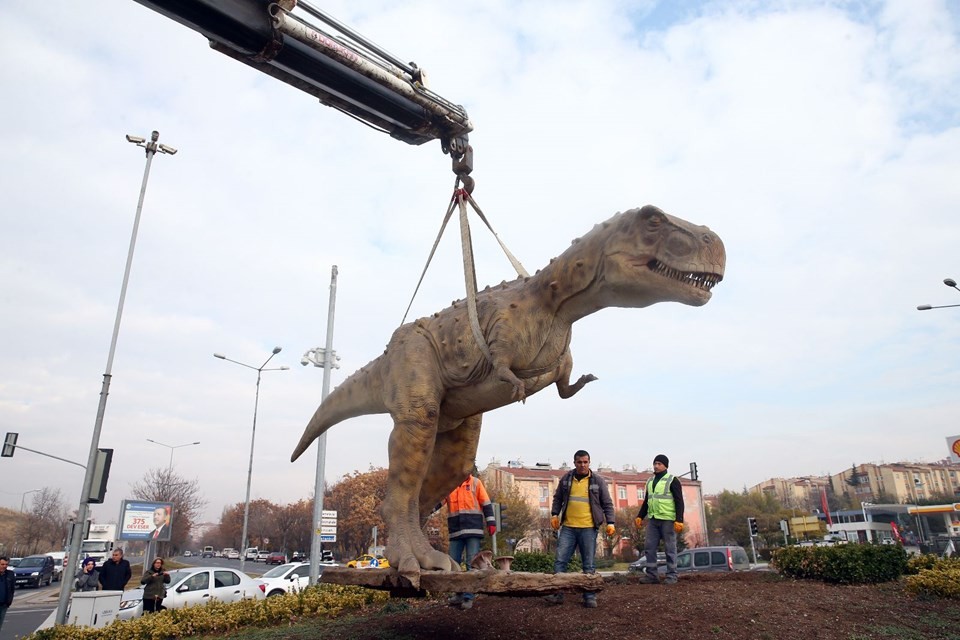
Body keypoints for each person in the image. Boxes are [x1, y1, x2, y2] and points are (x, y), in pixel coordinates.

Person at [545, 450, 615, 608]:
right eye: (579, 462)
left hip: (588, 528)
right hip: (568, 527)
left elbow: (607, 503)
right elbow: (557, 498)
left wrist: (611, 522)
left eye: (585, 462)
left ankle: (589, 596)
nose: (582, 465)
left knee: (588, 564)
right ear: (574, 463)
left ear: (589, 462)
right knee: (560, 561)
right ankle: (557, 593)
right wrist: (554, 514)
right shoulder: (567, 479)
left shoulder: (597, 481)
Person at [445, 473, 496, 610]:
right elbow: (438, 501)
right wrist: (426, 511)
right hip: (456, 530)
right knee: (453, 563)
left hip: (473, 529)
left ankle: (468, 596)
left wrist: (491, 522)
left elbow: (486, 503)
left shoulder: (475, 483)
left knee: (471, 563)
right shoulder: (449, 484)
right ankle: (459, 593)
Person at [635, 453, 685, 585]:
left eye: (659, 464)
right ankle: (652, 575)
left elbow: (679, 501)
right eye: (655, 463)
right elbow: (647, 501)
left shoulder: (672, 480)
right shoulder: (650, 481)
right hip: (653, 519)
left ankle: (672, 575)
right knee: (649, 547)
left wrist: (679, 519)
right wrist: (640, 516)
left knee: (670, 548)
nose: (656, 466)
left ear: (665, 466)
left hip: (668, 519)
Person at [0, 556, 15, 633]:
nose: (4, 566)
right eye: (2, 564)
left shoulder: (10, 574)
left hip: (4, 605)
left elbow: (12, 589)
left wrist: (9, 601)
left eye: (6, 564)